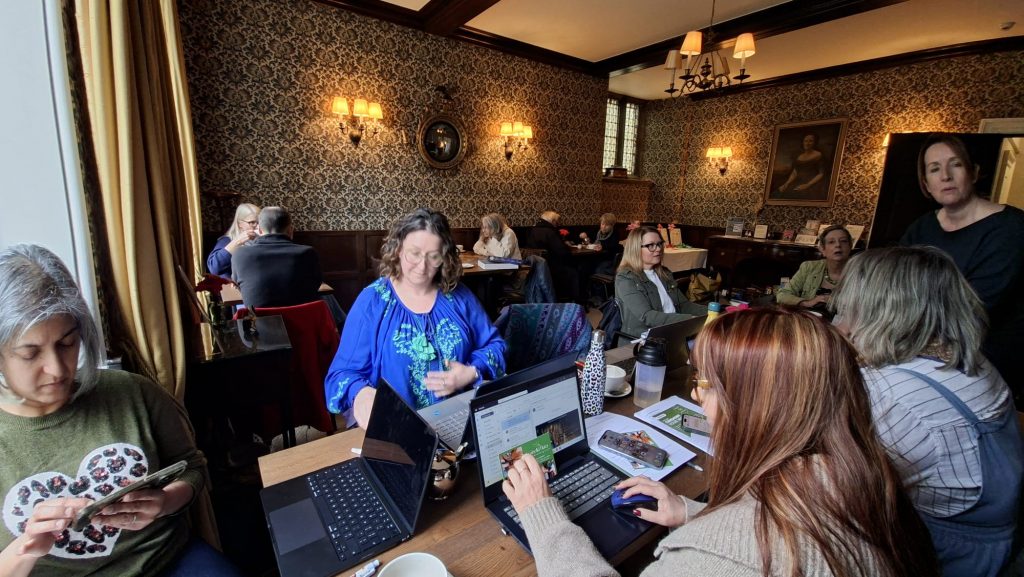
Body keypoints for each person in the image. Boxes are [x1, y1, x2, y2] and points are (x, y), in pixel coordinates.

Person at [503, 307, 938, 577]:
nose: (696, 395)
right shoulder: (862, 482)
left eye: (708, 385)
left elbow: (739, 552)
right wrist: (693, 512)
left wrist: (542, 514)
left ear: (755, 408)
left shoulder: (731, 557)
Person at [0, 244, 239, 577]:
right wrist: (25, 548)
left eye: (68, 343)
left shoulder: (131, 392)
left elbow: (193, 466)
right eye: (30, 354)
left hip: (169, 560)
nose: (56, 369)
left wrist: (166, 501)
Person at [830, 246, 1022, 577]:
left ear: (883, 310)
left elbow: (834, 492)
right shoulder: (968, 359)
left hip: (945, 552)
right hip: (999, 535)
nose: (844, 323)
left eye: (851, 309)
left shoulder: (889, 392)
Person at [324, 208, 506, 429]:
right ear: (398, 249)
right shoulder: (373, 301)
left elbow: (496, 346)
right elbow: (341, 374)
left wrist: (471, 371)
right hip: (397, 430)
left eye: (433, 256)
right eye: (414, 253)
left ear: (444, 257)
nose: (422, 266)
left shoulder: (459, 297)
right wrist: (360, 393)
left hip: (460, 426)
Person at [901, 133, 1024, 403]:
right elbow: (896, 286)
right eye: (934, 169)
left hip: (985, 361)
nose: (945, 175)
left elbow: (973, 306)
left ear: (974, 171)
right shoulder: (921, 227)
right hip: (923, 348)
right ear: (926, 183)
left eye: (955, 164)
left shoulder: (1011, 228)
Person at [615, 226, 704, 339]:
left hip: (674, 330)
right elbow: (647, 316)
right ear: (635, 249)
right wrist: (690, 320)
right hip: (644, 340)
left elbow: (683, 305)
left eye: (659, 243)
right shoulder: (626, 277)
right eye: (651, 245)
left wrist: (713, 313)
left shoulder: (664, 273)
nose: (658, 249)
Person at [231, 206, 323, 310]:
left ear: (260, 231)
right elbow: (316, 284)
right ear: (290, 231)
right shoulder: (308, 253)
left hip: (259, 324)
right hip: (301, 322)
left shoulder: (240, 254)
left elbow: (239, 287)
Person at [775, 224, 852, 316]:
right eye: (831, 242)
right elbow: (782, 295)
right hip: (810, 323)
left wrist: (839, 302)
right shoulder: (809, 267)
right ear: (822, 249)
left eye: (843, 241)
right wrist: (807, 303)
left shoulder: (861, 272)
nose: (838, 245)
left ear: (850, 246)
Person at [527, 210, 577, 301]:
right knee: (576, 271)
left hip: (537, 268)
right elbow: (562, 252)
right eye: (556, 221)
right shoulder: (550, 232)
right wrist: (567, 247)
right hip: (553, 268)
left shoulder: (533, 230)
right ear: (553, 221)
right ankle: (575, 300)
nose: (557, 224)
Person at [205, 203, 260, 277]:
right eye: (252, 222)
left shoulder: (262, 240)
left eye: (260, 222)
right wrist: (237, 242)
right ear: (239, 223)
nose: (258, 226)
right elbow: (214, 268)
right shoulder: (226, 240)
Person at [777, 133, 825, 198]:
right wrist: (786, 184)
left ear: (815, 143)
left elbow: (821, 174)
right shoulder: (799, 156)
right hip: (797, 181)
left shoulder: (818, 155)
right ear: (803, 142)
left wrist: (807, 185)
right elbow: (795, 172)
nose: (807, 143)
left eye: (810, 141)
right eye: (805, 141)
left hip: (812, 182)